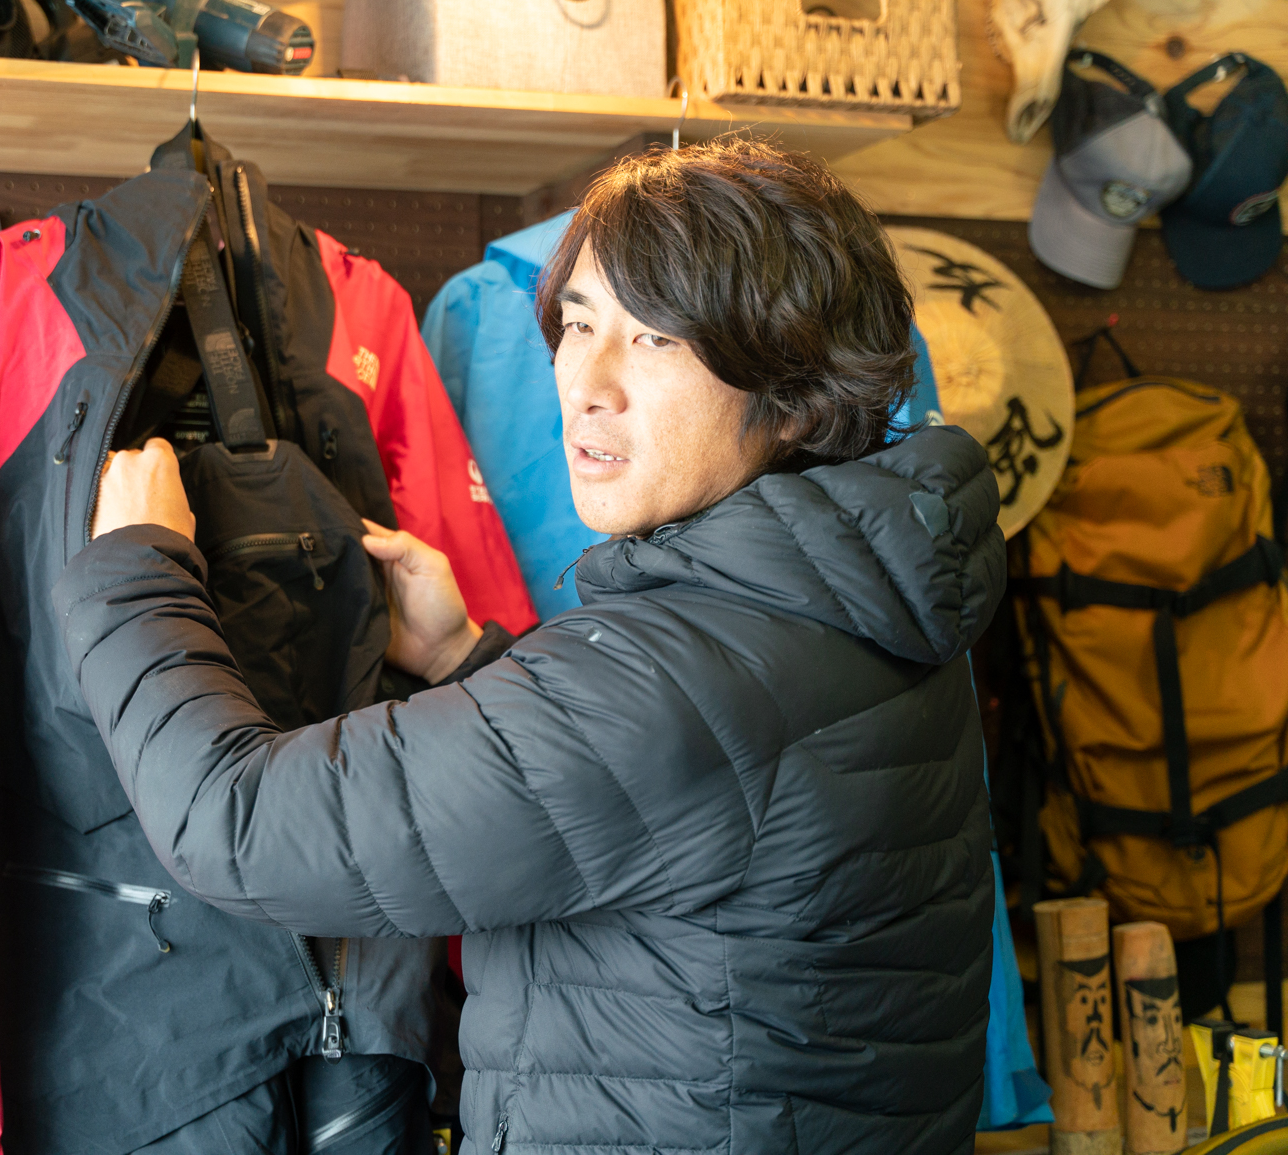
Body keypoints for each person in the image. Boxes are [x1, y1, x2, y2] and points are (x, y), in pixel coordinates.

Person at [53, 140, 1005, 1153]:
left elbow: (237, 827)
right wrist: (467, 657)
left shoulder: (670, 678)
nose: (588, 382)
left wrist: (136, 569)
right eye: (580, 323)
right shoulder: (864, 595)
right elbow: (677, 810)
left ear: (795, 383)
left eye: (657, 339)